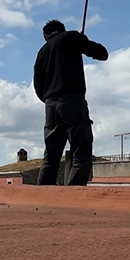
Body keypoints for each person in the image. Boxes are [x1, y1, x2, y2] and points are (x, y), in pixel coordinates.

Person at [33, 19, 108, 185]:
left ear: (46, 36)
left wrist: (48, 100)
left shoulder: (42, 52)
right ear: (63, 30)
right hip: (72, 101)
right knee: (81, 153)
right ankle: (72, 196)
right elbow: (103, 54)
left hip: (50, 106)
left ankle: (41, 198)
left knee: (50, 157)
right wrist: (83, 40)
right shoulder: (71, 37)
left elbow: (37, 84)